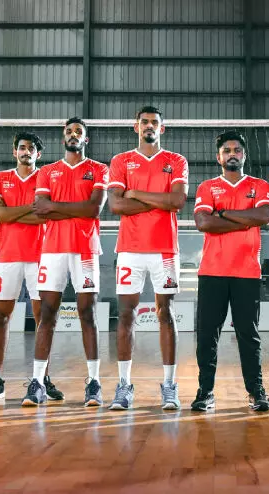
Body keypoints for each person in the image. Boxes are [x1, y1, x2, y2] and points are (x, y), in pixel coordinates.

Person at [21, 118, 108, 406]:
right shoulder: (47, 172)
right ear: (63, 138)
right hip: (53, 249)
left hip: (85, 249)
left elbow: (93, 209)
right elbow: (40, 211)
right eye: (69, 131)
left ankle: (93, 382)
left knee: (87, 313)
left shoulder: (99, 169)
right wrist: (75, 210)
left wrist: (55, 207)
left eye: (78, 132)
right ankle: (37, 382)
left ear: (86, 139)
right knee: (47, 314)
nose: (73, 135)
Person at [107, 106, 188, 410]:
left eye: (154, 122)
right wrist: (159, 202)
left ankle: (169, 385)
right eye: (145, 122)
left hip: (164, 249)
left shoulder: (176, 161)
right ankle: (124, 385)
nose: (149, 126)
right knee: (126, 314)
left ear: (162, 128)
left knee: (165, 313)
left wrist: (136, 194)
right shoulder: (121, 161)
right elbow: (115, 206)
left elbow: (177, 201)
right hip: (130, 248)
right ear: (136, 127)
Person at [190, 130, 269, 412]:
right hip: (212, 271)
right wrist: (245, 220)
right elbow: (204, 223)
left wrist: (223, 213)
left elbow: (264, 216)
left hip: (247, 272)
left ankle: (256, 391)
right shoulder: (207, 187)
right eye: (227, 151)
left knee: (249, 336)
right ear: (219, 157)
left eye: (237, 150)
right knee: (207, 335)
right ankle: (205, 391)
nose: (232, 154)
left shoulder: (259, 185)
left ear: (244, 155)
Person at [0, 132, 64, 401]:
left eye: (31, 148)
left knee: (43, 319)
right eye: (22, 147)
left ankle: (42, 379)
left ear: (39, 154)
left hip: (42, 257)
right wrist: (29, 209)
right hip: (8, 256)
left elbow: (46, 217)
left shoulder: (46, 178)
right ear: (14, 151)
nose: (26, 151)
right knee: (0, 317)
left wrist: (10, 212)